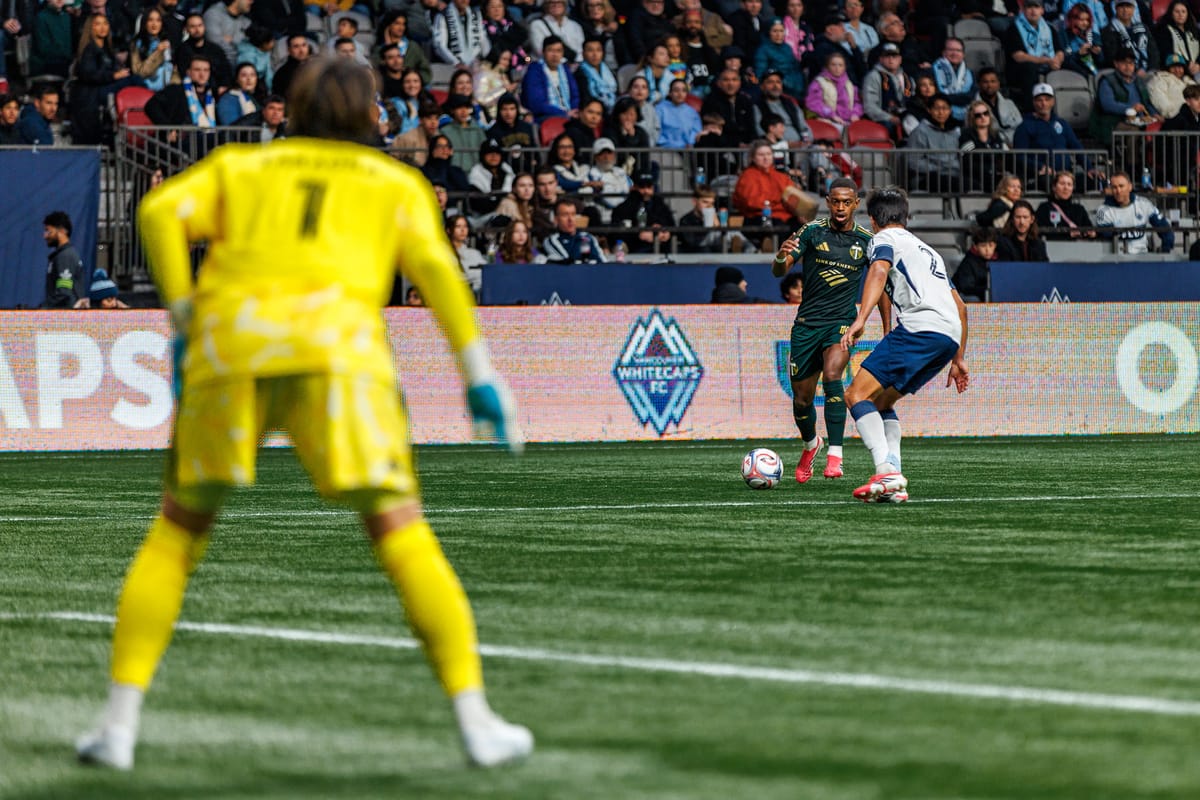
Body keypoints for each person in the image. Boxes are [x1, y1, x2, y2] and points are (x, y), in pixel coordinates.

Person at [74, 57, 532, 773]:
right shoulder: (393, 184)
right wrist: (479, 376)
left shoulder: (239, 167)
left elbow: (159, 211)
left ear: (291, 108)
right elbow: (439, 271)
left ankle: (118, 726)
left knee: (177, 533)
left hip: (233, 349)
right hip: (339, 359)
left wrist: (186, 319)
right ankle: (475, 721)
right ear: (371, 114)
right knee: (399, 532)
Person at [840, 186, 969, 504]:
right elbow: (962, 307)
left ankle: (886, 471)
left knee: (856, 394)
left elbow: (879, 270)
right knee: (882, 402)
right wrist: (959, 358)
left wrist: (860, 320)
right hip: (947, 336)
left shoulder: (882, 240)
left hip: (919, 329)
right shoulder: (928, 251)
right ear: (905, 217)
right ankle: (894, 476)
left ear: (872, 220)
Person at [771, 178, 875, 483]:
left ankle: (836, 456)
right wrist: (780, 255)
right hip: (807, 325)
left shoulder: (867, 240)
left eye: (846, 202)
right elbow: (781, 268)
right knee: (801, 401)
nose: (840, 207)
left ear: (856, 203)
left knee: (833, 376)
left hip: (841, 323)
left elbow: (879, 284)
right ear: (828, 202)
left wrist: (875, 322)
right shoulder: (812, 231)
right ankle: (811, 444)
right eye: (835, 201)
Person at [1014, 83, 1103, 186]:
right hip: (1041, 176)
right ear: (1034, 102)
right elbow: (1019, 156)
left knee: (1096, 180)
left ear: (1053, 101)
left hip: (1066, 174)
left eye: (1047, 99)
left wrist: (1089, 168)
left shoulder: (1062, 123)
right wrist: (1040, 167)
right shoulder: (1025, 126)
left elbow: (1075, 146)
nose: (1043, 104)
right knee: (1049, 182)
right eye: (1039, 100)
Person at [1093, 170, 1175, 254]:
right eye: (1114, 187)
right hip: (1115, 259)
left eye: (1121, 186)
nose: (1118, 191)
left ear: (1130, 187)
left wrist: (1166, 249)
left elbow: (1164, 227)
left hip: (1142, 257)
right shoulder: (1103, 211)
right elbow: (1107, 238)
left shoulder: (1144, 204)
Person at [1002, 0, 1064, 109]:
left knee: (1069, 64)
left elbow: (1059, 51)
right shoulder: (1014, 28)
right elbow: (1018, 56)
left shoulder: (1049, 29)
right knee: (1029, 68)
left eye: (1036, 7)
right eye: (1029, 7)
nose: (1033, 11)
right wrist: (1045, 60)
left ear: (1042, 10)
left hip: (1047, 64)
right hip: (1021, 69)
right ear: (1023, 10)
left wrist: (1057, 60)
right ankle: (1031, 110)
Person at [904, 93, 961, 192]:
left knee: (975, 184)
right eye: (936, 108)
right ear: (929, 110)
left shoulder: (955, 131)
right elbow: (914, 162)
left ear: (950, 110)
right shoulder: (920, 132)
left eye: (945, 108)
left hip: (952, 175)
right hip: (925, 177)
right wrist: (939, 168)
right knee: (953, 184)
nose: (941, 112)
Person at [611, 171, 675, 253]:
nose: (646, 191)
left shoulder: (660, 204)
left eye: (649, 187)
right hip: (636, 251)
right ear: (634, 187)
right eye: (642, 187)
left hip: (662, 249)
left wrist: (666, 232)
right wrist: (639, 235)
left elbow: (672, 225)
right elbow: (617, 233)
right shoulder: (623, 208)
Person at [520, 35, 579, 121]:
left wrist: (574, 111)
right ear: (543, 52)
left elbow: (575, 95)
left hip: (570, 114)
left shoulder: (565, 69)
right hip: (545, 117)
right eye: (550, 50)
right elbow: (536, 104)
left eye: (559, 51)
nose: (555, 55)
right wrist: (564, 113)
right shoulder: (535, 71)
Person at [862, 42, 913, 140]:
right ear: (881, 59)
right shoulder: (873, 76)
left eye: (894, 56)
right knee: (889, 126)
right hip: (883, 118)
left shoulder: (907, 78)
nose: (891, 60)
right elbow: (870, 107)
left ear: (900, 59)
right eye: (887, 56)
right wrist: (889, 117)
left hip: (905, 116)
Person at [804, 52, 862, 133]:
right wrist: (832, 115)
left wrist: (855, 114)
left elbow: (857, 102)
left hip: (848, 120)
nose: (837, 68)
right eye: (833, 65)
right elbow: (813, 103)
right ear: (827, 66)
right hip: (828, 120)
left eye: (840, 65)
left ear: (844, 68)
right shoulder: (819, 83)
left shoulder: (849, 84)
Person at [960, 99, 1009, 191]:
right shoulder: (967, 136)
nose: (983, 117)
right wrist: (989, 170)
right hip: (976, 178)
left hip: (995, 177)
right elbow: (966, 162)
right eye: (978, 115)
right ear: (972, 118)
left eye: (985, 113)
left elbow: (1007, 156)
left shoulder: (996, 135)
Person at [41, 210, 86, 308]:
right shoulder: (62, 255)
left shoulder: (65, 256)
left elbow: (64, 292)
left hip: (66, 319)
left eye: (48, 231)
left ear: (62, 231)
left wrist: (43, 309)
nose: (45, 236)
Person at [1102, 0, 1158, 77]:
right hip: (1123, 73)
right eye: (1121, 6)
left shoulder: (1143, 27)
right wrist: (1134, 70)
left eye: (1128, 6)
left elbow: (1153, 52)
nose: (1125, 10)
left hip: (1148, 71)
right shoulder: (1109, 30)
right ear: (1116, 9)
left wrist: (1150, 69)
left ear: (1133, 9)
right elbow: (1112, 56)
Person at [541, 196, 606, 263]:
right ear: (556, 219)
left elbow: (604, 263)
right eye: (565, 215)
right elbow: (568, 263)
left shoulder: (589, 237)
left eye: (573, 214)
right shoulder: (551, 240)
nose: (570, 219)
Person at [1036, 169, 1096, 237]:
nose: (1066, 188)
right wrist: (1067, 234)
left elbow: (1089, 229)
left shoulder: (1079, 209)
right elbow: (1039, 232)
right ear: (1054, 187)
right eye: (1062, 184)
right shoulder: (1044, 208)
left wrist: (1091, 233)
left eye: (1069, 184)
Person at [974, 66, 1022, 145]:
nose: (989, 85)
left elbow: (1019, 126)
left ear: (998, 84)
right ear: (979, 84)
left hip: (1014, 146)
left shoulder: (1009, 104)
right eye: (985, 82)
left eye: (993, 81)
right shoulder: (973, 107)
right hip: (990, 148)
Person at [433, 0, 489, 66]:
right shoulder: (442, 16)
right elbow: (440, 46)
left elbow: (483, 39)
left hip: (477, 63)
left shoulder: (476, 14)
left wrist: (487, 59)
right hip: (453, 66)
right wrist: (456, 63)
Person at [1153, 1, 1200, 79]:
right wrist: (1187, 64)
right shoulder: (1163, 30)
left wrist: (1198, 64)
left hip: (1197, 68)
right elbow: (1167, 53)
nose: (1180, 14)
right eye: (1177, 11)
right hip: (1177, 70)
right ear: (1171, 13)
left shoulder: (1194, 30)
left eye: (1183, 11)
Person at [932, 37, 975, 122]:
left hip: (967, 118)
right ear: (943, 53)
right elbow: (936, 96)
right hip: (940, 117)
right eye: (950, 49)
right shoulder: (933, 71)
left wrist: (948, 98)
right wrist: (960, 98)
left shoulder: (970, 73)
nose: (954, 53)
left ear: (963, 54)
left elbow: (971, 96)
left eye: (958, 50)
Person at [202, 0, 252, 70]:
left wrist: (232, 41)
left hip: (240, 69)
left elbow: (248, 48)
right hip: (215, 66)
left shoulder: (247, 22)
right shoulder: (212, 14)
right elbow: (214, 44)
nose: (252, 2)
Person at [1148, 53, 1198, 118]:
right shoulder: (1159, 80)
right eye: (1173, 67)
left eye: (1180, 67)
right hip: (1177, 118)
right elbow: (1165, 108)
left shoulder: (1189, 81)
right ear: (1167, 68)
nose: (1177, 70)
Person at [954, 226, 995, 302]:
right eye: (983, 246)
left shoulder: (998, 260)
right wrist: (987, 289)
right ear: (975, 246)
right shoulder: (968, 262)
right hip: (965, 295)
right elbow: (966, 288)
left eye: (991, 245)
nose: (987, 250)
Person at [1062, 2, 1102, 78]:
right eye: (1081, 20)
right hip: (1073, 75)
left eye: (1087, 20)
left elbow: (1102, 61)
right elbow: (1064, 61)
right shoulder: (1064, 35)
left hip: (1093, 73)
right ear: (1073, 19)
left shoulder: (1094, 36)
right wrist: (1079, 54)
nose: (1085, 23)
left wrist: (1098, 53)